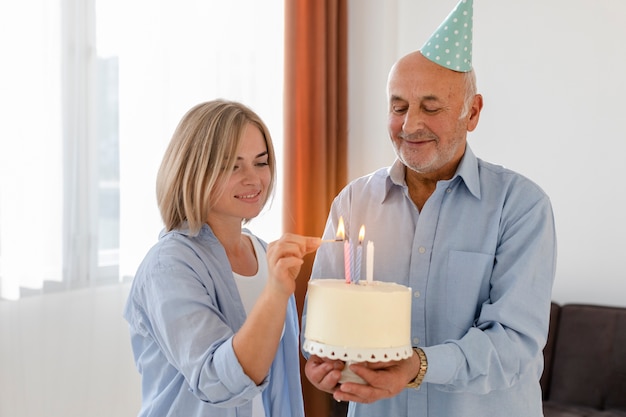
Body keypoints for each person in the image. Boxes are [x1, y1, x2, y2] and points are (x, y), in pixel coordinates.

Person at [302, 1, 557, 416]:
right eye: (398, 106)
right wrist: (320, 357)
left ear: (471, 112)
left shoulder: (521, 206)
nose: (409, 125)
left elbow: (514, 342)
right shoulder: (354, 201)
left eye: (431, 107)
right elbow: (323, 313)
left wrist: (418, 365)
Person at [123, 99, 320, 417]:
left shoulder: (263, 252)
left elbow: (280, 383)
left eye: (261, 162)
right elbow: (216, 381)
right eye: (232, 165)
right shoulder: (168, 266)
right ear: (195, 170)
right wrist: (276, 292)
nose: (253, 178)